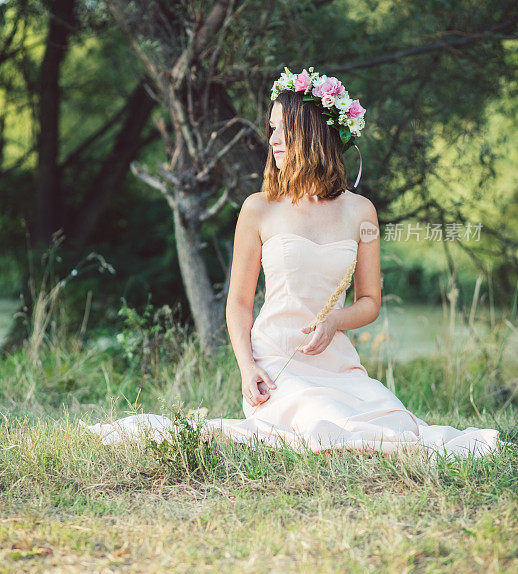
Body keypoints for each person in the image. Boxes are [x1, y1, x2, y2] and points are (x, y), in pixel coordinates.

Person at [82, 67, 502, 462]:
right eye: (271, 129)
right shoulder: (258, 209)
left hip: (338, 363)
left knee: (394, 425)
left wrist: (335, 321)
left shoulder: (361, 213)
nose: (273, 140)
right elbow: (239, 303)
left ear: (313, 133)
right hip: (276, 364)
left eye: (283, 129)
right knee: (323, 421)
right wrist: (248, 369)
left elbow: (370, 301)